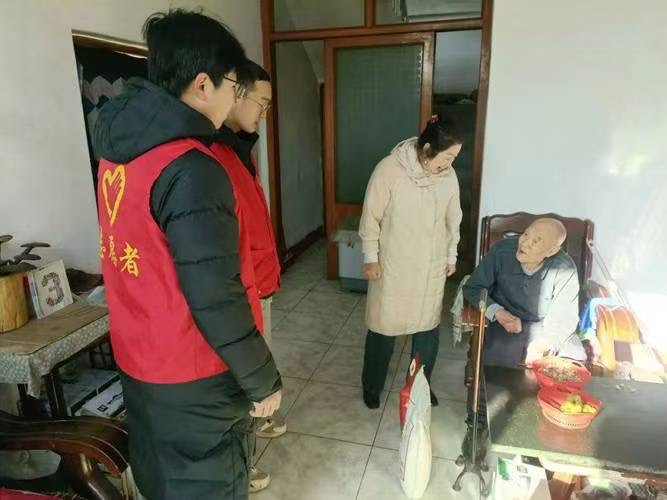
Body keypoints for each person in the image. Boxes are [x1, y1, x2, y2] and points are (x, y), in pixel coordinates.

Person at [93, 11, 282, 499]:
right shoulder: (191, 168)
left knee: (164, 482)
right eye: (234, 87)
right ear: (202, 85)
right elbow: (214, 294)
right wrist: (262, 379)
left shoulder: (117, 156)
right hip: (193, 372)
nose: (235, 99)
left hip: (140, 363)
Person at [211, 60, 285, 494]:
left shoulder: (241, 147)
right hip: (241, 287)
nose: (264, 112)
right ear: (235, 93)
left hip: (260, 279)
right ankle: (245, 463)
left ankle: (260, 423)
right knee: (243, 377)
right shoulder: (211, 155)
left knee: (261, 364)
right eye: (262, 102)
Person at [359, 114, 463, 409]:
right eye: (447, 156)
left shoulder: (448, 176)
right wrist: (370, 258)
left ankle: (420, 385)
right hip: (394, 264)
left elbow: (453, 219)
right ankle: (371, 385)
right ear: (427, 149)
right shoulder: (390, 169)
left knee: (427, 329)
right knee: (383, 328)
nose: (450, 163)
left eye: (455, 157)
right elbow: (371, 217)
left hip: (430, 265)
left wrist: (451, 254)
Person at [461, 218, 586, 460]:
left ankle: (549, 423)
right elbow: (474, 288)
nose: (525, 243)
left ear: (551, 250)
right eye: (526, 234)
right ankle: (478, 424)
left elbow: (564, 316)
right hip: (507, 321)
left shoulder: (564, 268)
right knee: (491, 356)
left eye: (536, 240)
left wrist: (545, 343)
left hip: (545, 326)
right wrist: (498, 312)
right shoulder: (502, 251)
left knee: (574, 360)